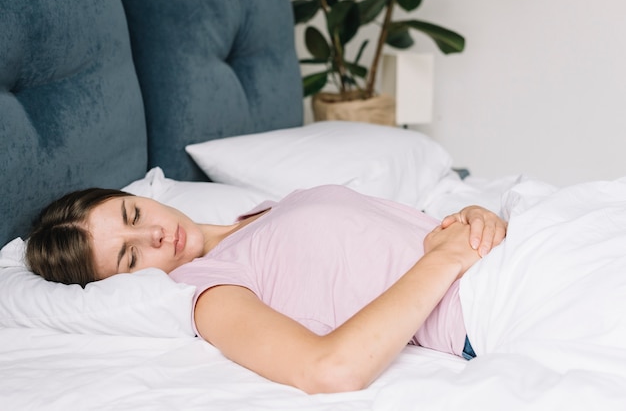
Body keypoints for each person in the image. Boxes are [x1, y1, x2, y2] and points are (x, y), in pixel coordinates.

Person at [26, 184, 507, 394]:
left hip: (514, 251)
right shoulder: (210, 289)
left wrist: (472, 216)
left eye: (133, 214)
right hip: (487, 306)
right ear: (122, 285)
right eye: (131, 257)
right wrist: (445, 258)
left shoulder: (258, 214)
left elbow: (386, 240)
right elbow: (328, 370)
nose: (152, 235)